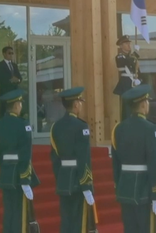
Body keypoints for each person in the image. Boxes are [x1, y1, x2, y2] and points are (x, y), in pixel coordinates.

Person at [112, 84, 156, 233]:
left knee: (130, 228)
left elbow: (115, 162)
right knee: (147, 228)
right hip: (144, 188)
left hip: (125, 186)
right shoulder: (150, 128)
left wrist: (119, 185)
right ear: (143, 104)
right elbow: (154, 163)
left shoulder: (119, 129)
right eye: (147, 101)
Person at [0, 89, 39, 233]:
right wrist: (26, 179)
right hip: (19, 174)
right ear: (16, 105)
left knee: (9, 212)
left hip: (6, 172)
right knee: (20, 214)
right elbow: (25, 156)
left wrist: (5, 169)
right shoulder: (23, 125)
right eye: (20, 103)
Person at [50, 87, 95, 232]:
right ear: (75, 104)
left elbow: (55, 158)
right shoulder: (81, 127)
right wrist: (87, 185)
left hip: (64, 177)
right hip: (78, 180)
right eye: (80, 102)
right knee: (79, 222)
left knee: (66, 220)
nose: (81, 105)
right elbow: (84, 158)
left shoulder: (56, 127)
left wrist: (61, 177)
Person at [113, 35, 141, 121]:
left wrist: (139, 80)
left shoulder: (132, 57)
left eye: (129, 43)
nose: (129, 45)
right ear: (121, 46)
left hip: (133, 84)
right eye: (126, 43)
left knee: (135, 108)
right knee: (127, 110)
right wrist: (135, 53)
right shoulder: (120, 57)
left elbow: (137, 70)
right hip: (125, 85)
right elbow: (128, 61)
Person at [0, 46, 22, 118]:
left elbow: (20, 78)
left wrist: (18, 80)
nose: (11, 55)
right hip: (5, 93)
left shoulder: (14, 65)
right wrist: (10, 80)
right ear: (4, 54)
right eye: (9, 53)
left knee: (15, 112)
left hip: (14, 93)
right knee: (4, 112)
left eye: (12, 53)